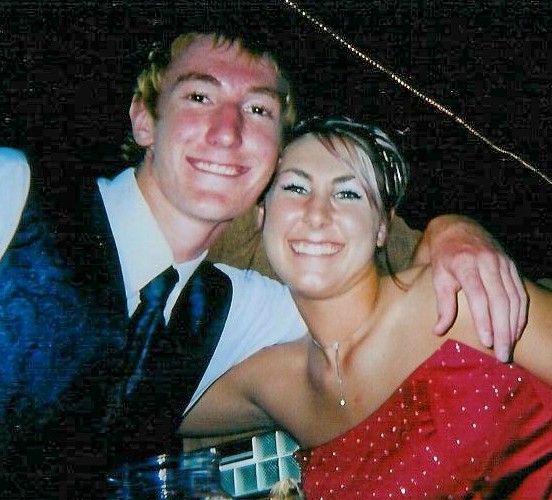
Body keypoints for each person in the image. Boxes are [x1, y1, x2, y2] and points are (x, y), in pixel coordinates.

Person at [0, 31, 526, 496]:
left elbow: (387, 301)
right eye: (199, 96)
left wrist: (452, 230)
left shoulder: (233, 313)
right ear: (143, 120)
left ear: (275, 152)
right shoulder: (15, 193)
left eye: (257, 110)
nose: (227, 131)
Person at [180, 116, 552, 498]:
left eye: (348, 194)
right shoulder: (278, 383)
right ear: (261, 214)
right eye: (295, 187)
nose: (317, 213)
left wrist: (449, 225)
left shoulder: (455, 298)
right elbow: (146, 408)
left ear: (382, 227)